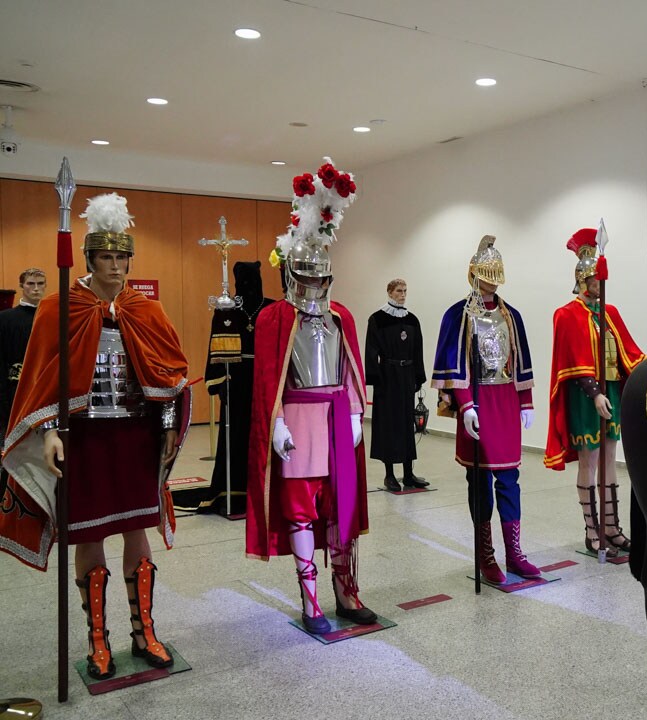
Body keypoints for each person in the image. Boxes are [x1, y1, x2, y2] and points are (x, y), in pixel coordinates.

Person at [1, 193, 188, 678]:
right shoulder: (59, 307)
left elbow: (169, 372)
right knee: (91, 536)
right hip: (83, 440)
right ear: (89, 258)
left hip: (134, 436)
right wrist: (47, 431)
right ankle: (97, 638)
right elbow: (42, 377)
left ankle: (145, 630)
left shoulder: (145, 309)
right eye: (106, 256)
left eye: (122, 257)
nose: (115, 266)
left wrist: (167, 425)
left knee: (136, 530)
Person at [247, 158, 378, 634]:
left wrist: (357, 412)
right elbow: (267, 380)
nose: (315, 286)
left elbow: (350, 368)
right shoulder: (273, 318)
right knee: (302, 511)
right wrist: (276, 420)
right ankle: (310, 601)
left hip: (336, 418)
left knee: (340, 508)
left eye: (322, 278)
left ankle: (347, 591)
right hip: (298, 423)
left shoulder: (340, 314)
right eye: (308, 277)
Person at [431, 236, 540, 583]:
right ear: (474, 274)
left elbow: (519, 360)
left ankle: (515, 554)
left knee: (509, 480)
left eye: (496, 276)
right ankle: (485, 554)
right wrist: (465, 407)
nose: (491, 282)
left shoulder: (513, 316)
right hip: (476, 405)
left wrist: (525, 402)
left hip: (505, 402)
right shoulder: (457, 315)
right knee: (478, 481)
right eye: (486, 275)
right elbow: (452, 363)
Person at [544, 228, 645, 555]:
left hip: (611, 393)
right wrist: (594, 392)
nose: (600, 287)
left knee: (610, 460)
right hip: (586, 399)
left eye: (602, 281)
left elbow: (629, 352)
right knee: (589, 460)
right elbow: (571, 360)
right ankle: (592, 531)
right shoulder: (567, 314)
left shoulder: (609, 312)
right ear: (583, 281)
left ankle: (612, 528)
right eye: (595, 282)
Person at [174, 261, 274, 515]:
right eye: (245, 280)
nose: (250, 285)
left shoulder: (272, 308)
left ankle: (267, 490)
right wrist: (219, 384)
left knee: (267, 435)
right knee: (236, 437)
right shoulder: (226, 310)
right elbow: (214, 348)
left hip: (266, 381)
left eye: (254, 279)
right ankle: (232, 492)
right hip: (236, 383)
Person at [365, 278, 428, 491]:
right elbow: (371, 351)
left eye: (405, 291)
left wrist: (418, 377)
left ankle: (408, 474)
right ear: (390, 292)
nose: (403, 294)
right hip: (388, 379)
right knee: (388, 426)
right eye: (399, 291)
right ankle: (389, 474)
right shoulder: (378, 319)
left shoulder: (412, 320)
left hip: (407, 377)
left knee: (407, 425)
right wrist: (376, 378)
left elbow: (418, 350)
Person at [0, 269, 45, 454]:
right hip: (13, 391)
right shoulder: (5, 319)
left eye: (40, 284)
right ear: (22, 286)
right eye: (30, 284)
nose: (36, 289)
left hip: (44, 388)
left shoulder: (53, 317)